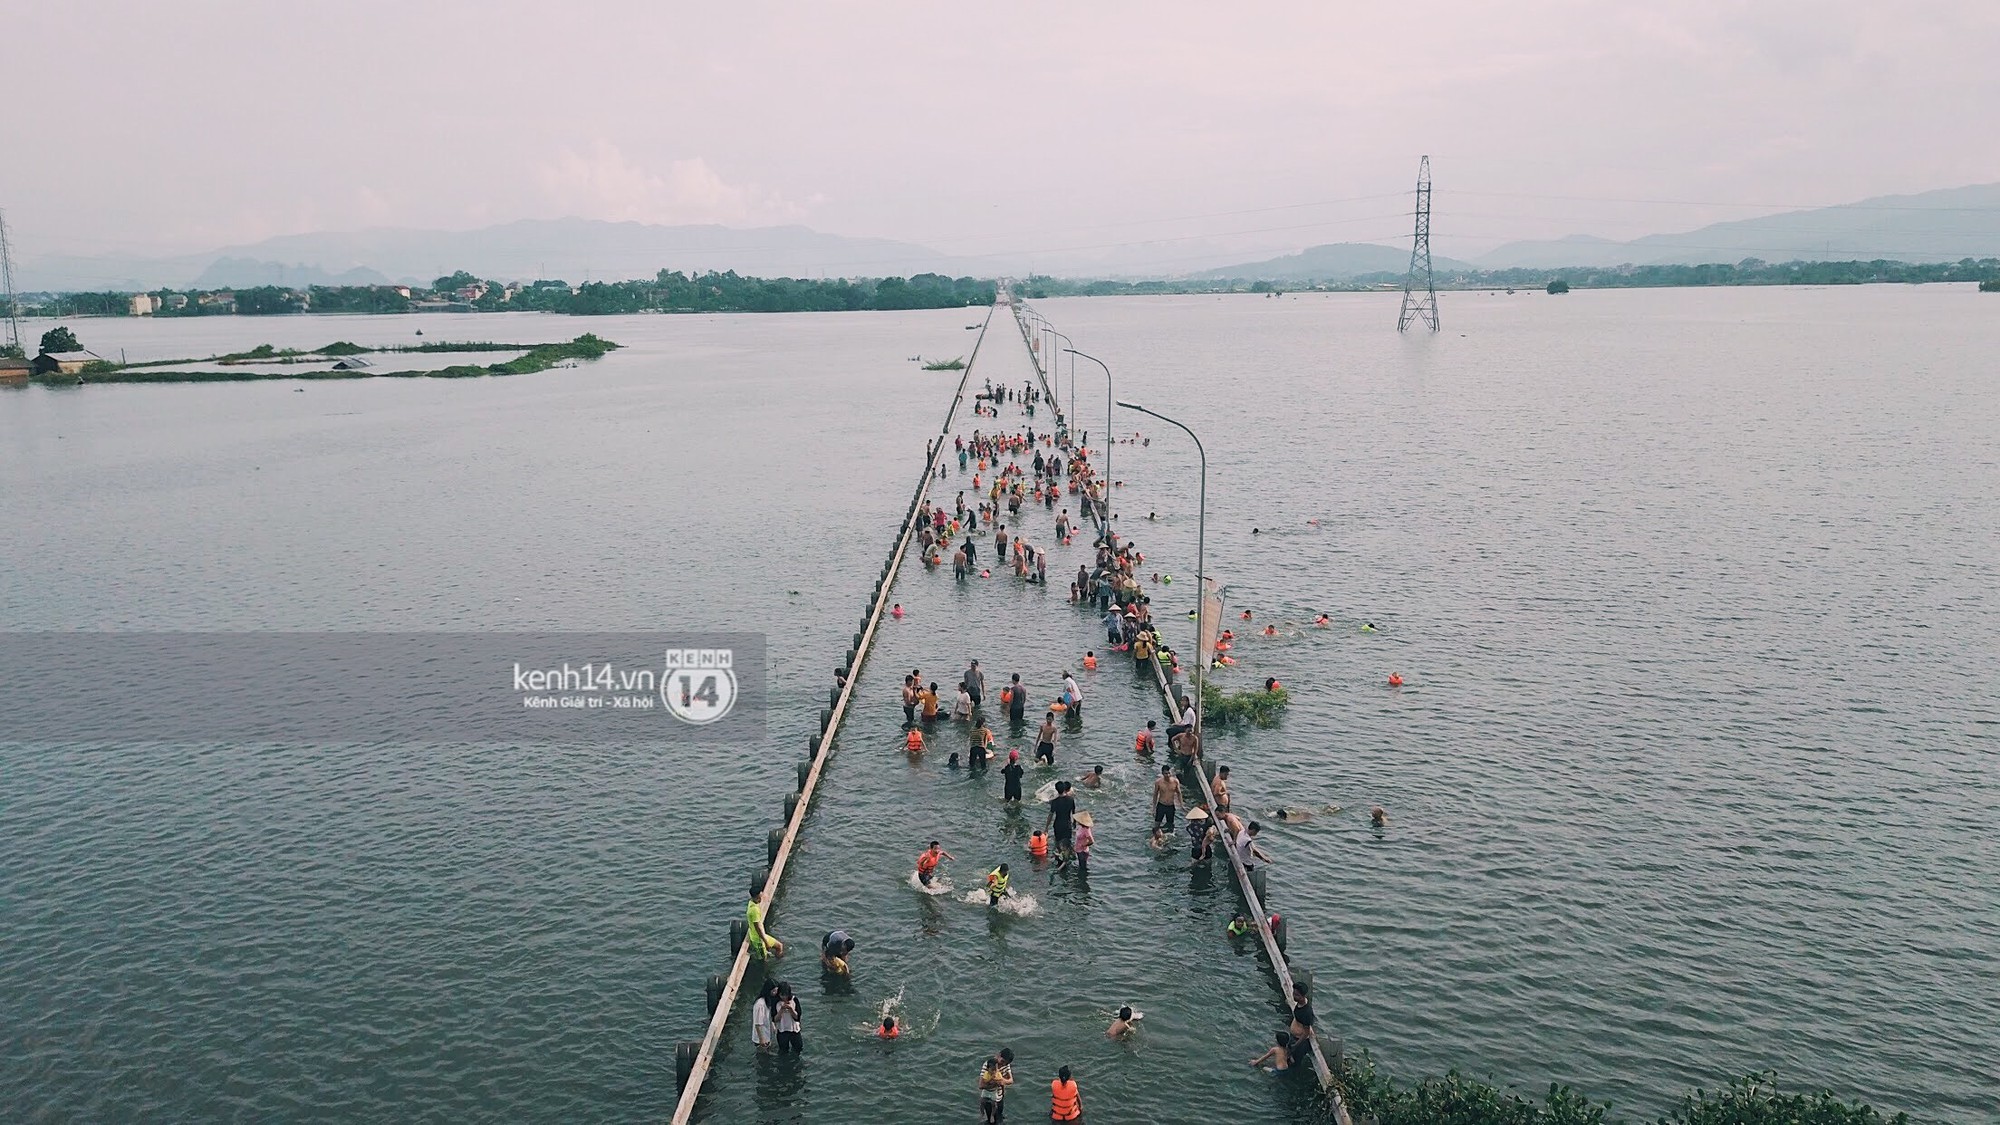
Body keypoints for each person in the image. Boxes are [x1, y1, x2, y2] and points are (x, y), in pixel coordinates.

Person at [746, 880, 783, 960]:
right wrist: (765, 942)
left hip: (761, 935)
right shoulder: (754, 910)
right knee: (764, 959)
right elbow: (758, 928)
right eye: (759, 898)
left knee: (779, 946)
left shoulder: (751, 902)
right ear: (755, 897)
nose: (761, 899)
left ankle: (779, 960)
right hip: (758, 940)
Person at [978, 1048, 1015, 1124]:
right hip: (989, 1098)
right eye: (1002, 1062)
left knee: (999, 1116)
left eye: (1006, 1064)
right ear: (999, 1055)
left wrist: (1002, 1081)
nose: (1003, 1065)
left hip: (1000, 1097)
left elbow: (1011, 1080)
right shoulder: (989, 1064)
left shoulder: (1006, 1064)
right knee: (991, 1121)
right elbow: (981, 1085)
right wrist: (994, 1084)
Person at [773, 983, 802, 1054]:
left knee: (798, 1049)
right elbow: (775, 1019)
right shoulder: (776, 1002)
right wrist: (781, 1010)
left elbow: (797, 1017)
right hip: (782, 1030)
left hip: (794, 1030)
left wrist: (791, 1010)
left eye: (786, 995)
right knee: (783, 1051)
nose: (784, 997)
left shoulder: (794, 1000)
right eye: (782, 995)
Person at [1152, 765, 1182, 831]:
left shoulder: (1175, 781)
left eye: (1169, 773)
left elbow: (1179, 793)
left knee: (1170, 825)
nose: (1168, 775)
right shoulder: (1158, 782)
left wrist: (1181, 805)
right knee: (1156, 824)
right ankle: (1155, 837)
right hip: (1161, 805)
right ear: (1162, 773)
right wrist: (1153, 808)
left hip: (1171, 806)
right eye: (1166, 773)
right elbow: (1155, 794)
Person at [751, 980, 778, 1050]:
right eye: (774, 991)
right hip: (761, 1038)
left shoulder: (767, 1001)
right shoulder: (760, 1005)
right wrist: (761, 1039)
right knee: (763, 1057)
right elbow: (758, 1024)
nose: (775, 993)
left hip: (767, 1034)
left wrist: (773, 1025)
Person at [1071, 811, 1095, 876]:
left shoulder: (1086, 830)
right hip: (1078, 849)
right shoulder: (1080, 827)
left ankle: (1083, 878)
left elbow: (1091, 841)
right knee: (1080, 865)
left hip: (1082, 851)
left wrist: (1084, 845)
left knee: (1082, 867)